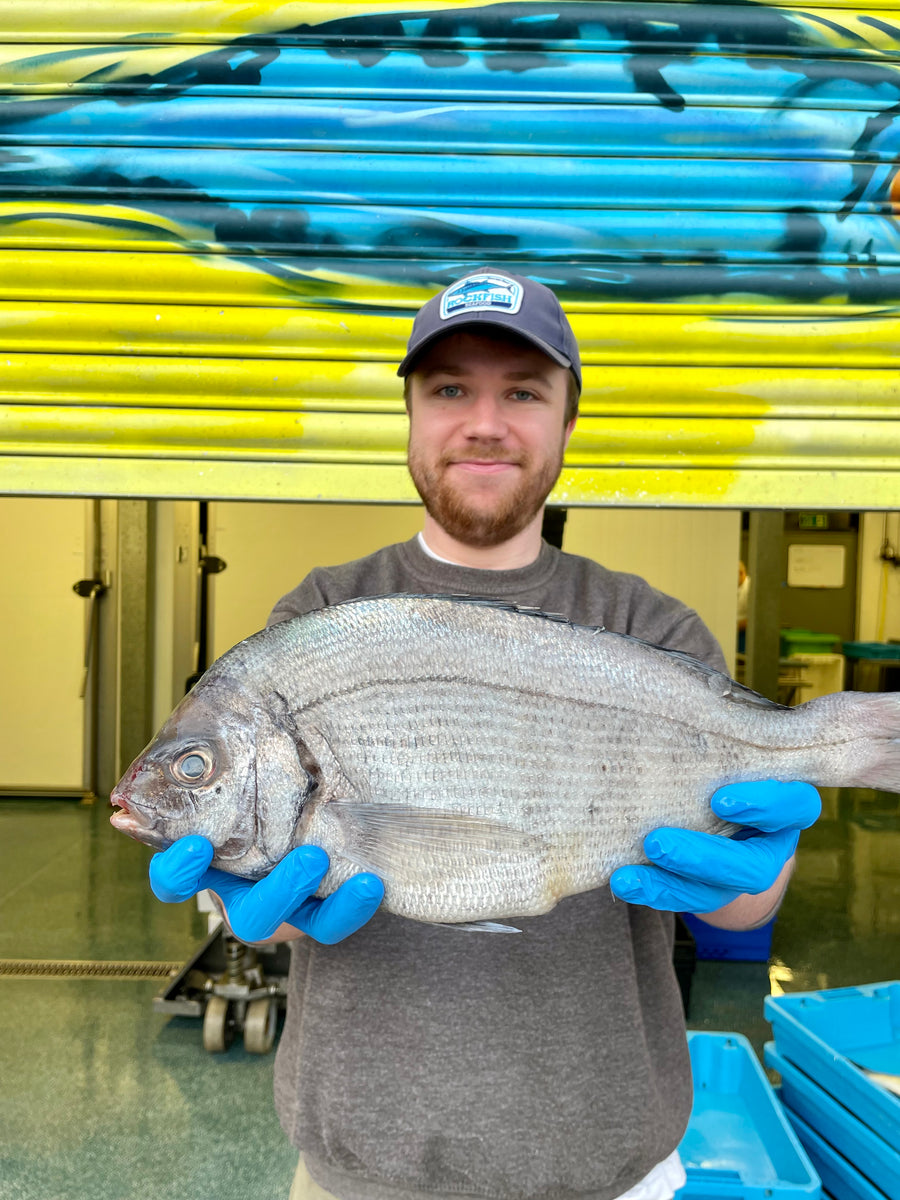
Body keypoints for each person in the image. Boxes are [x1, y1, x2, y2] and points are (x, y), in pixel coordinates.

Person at [150, 270, 821, 1200]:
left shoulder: (652, 630)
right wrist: (236, 903)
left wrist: (761, 863)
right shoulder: (319, 619)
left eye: (523, 392)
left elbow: (738, 912)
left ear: (566, 422)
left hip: (607, 1166)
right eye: (451, 389)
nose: (485, 423)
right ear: (414, 418)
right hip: (359, 1169)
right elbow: (261, 897)